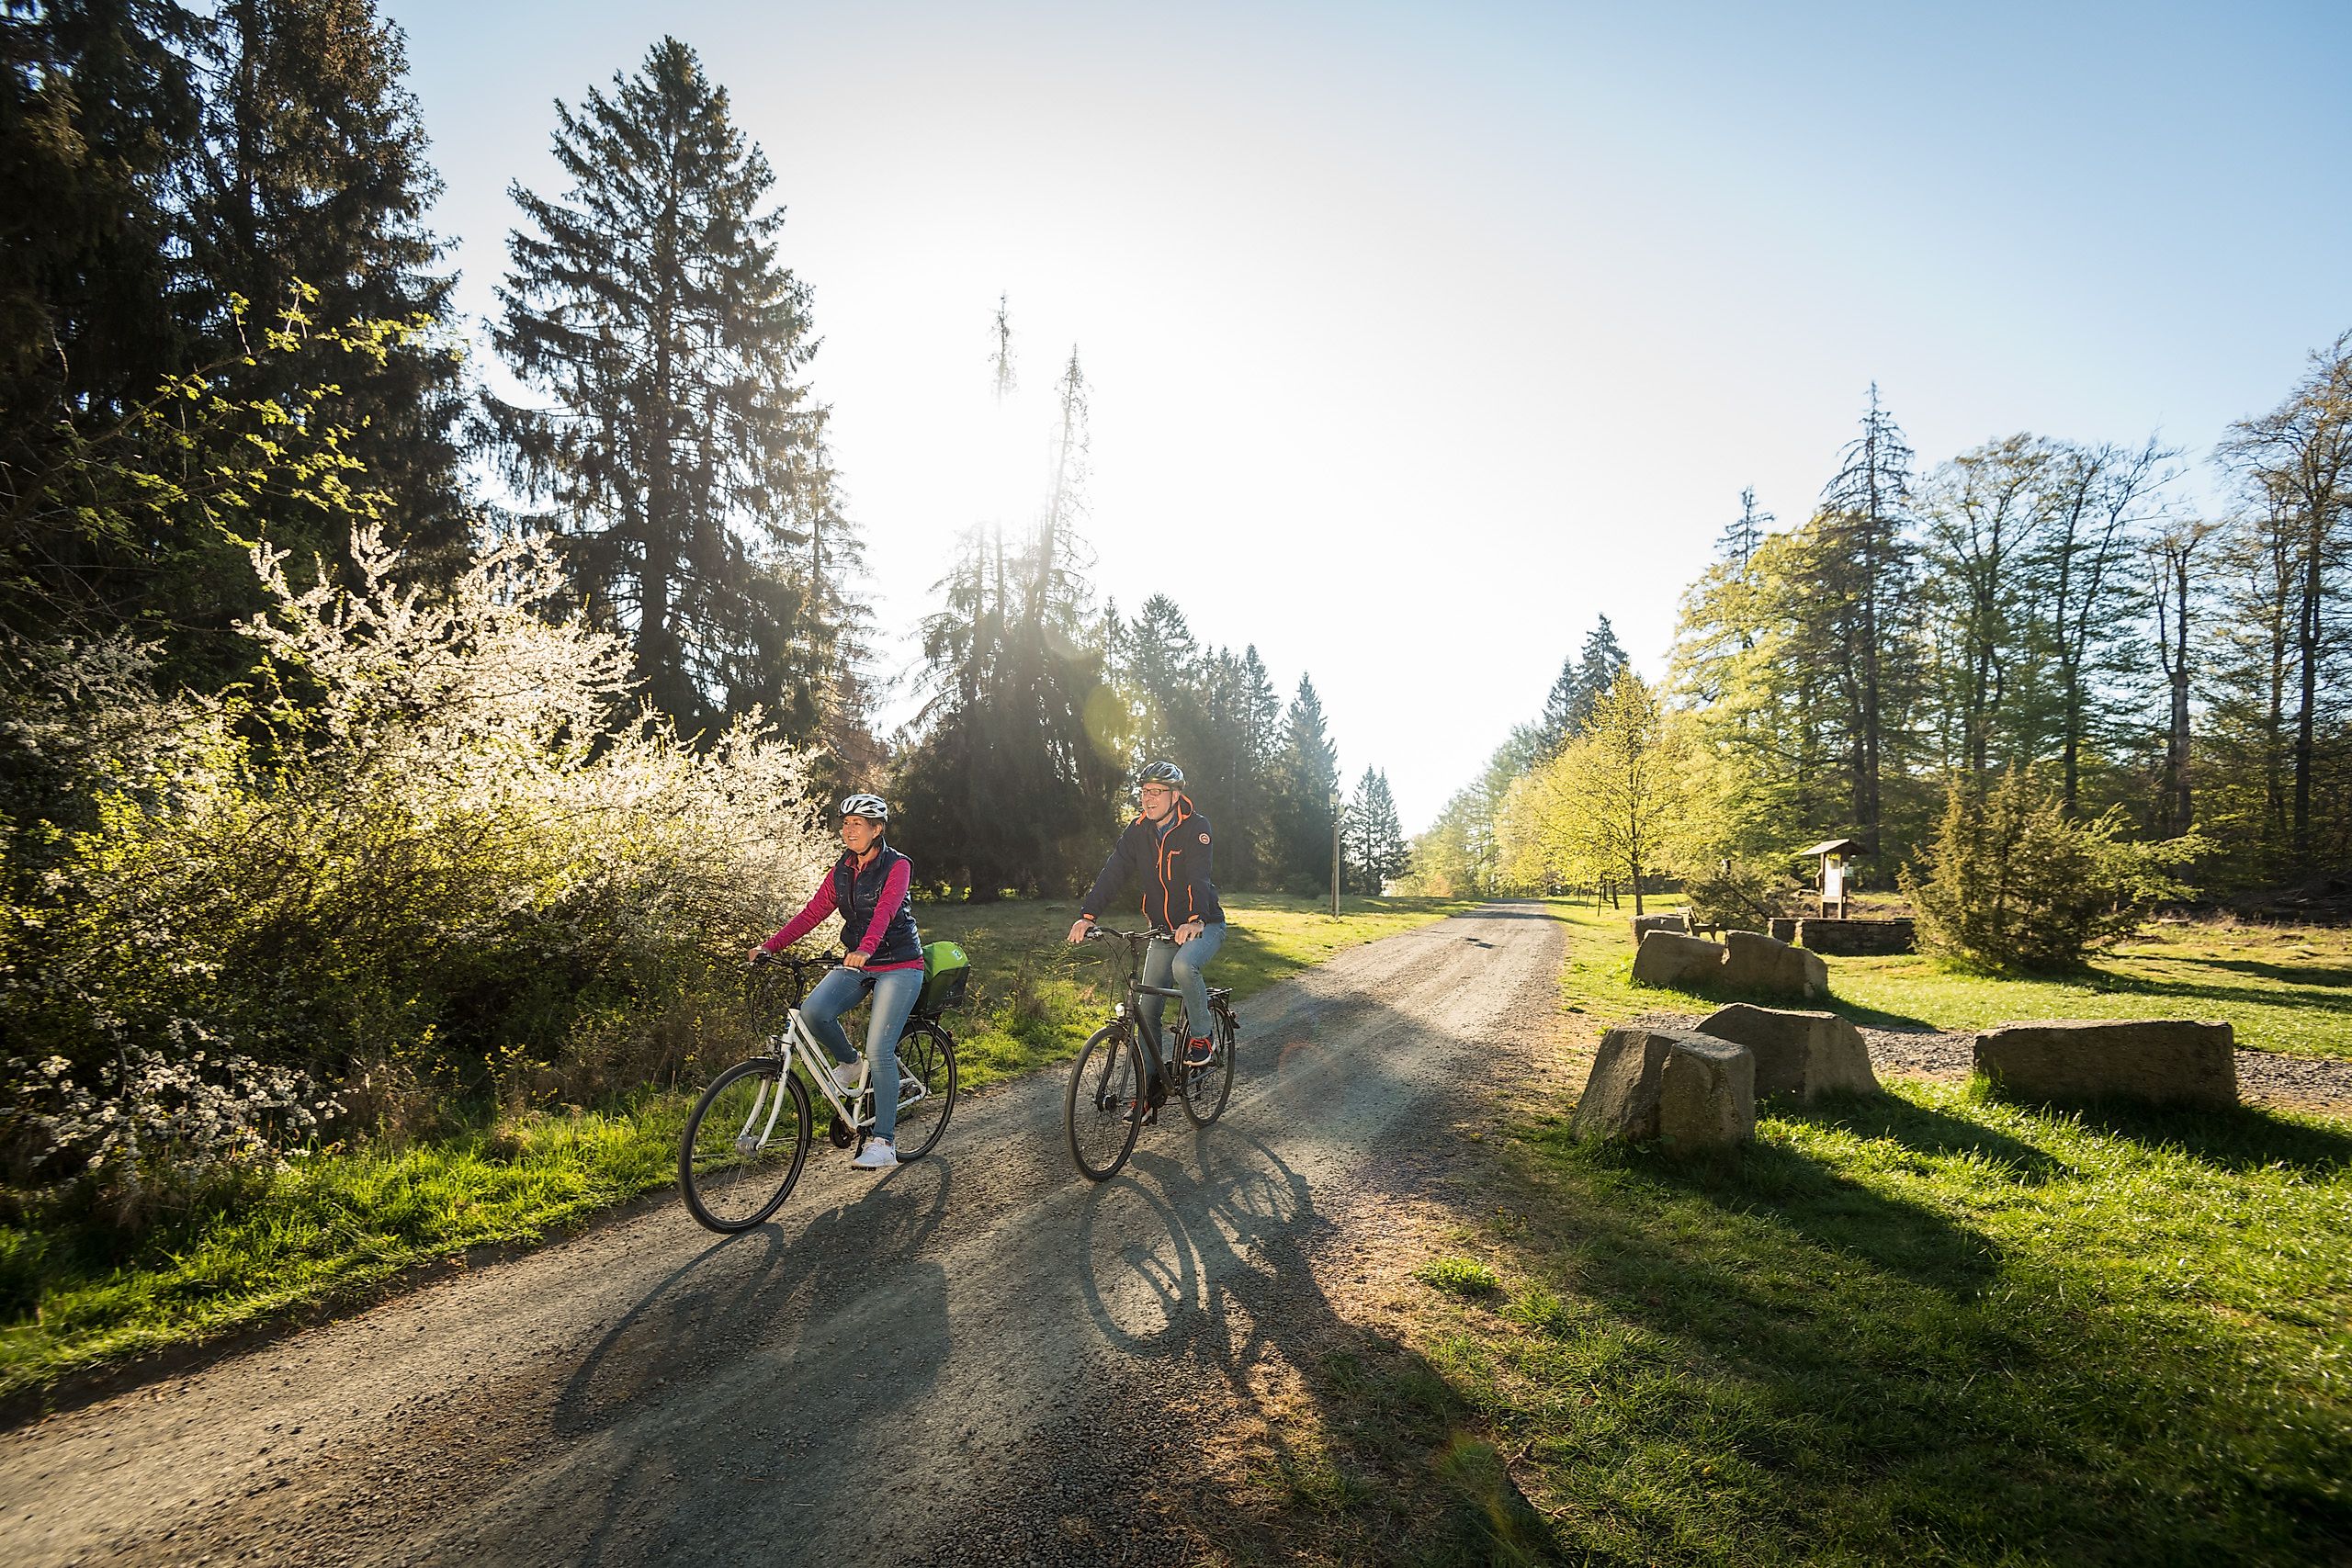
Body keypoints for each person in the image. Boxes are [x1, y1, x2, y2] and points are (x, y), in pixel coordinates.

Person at [750, 794, 925, 1171]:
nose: (848, 830)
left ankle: (885, 1141)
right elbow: (813, 911)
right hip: (858, 961)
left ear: (877, 830)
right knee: (814, 1012)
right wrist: (771, 945)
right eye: (845, 823)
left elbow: (885, 912)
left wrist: (865, 948)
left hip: (899, 964)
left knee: (880, 1050)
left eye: (857, 824)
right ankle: (849, 1062)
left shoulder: (898, 866)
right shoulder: (842, 869)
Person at [1066, 761, 1226, 1117]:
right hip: (1163, 930)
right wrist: (1088, 914)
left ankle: (1203, 1036)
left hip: (1205, 924)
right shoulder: (1137, 832)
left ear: (1175, 795)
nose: (1148, 799)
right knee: (1147, 1010)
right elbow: (1113, 872)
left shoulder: (1196, 828)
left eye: (1156, 792)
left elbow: (1199, 876)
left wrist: (1196, 918)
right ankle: (1149, 1093)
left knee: (1185, 966)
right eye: (1144, 792)